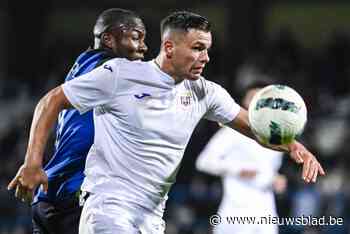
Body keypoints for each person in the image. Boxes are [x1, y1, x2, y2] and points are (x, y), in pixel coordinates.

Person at [8, 11, 324, 234]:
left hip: (152, 217)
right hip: (108, 208)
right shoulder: (121, 74)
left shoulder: (205, 92)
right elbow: (51, 101)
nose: (206, 58)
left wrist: (295, 147)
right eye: (198, 48)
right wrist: (34, 162)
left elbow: (253, 126)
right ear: (169, 47)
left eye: (208, 50)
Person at [8, 8, 147, 234]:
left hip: (50, 197)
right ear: (109, 39)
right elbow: (48, 102)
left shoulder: (84, 66)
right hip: (80, 197)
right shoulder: (115, 69)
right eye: (136, 37)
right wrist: (32, 161)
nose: (143, 46)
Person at [196, 82, 287, 234]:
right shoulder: (232, 132)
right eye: (253, 97)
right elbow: (203, 162)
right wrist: (238, 169)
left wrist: (276, 179)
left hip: (266, 211)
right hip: (236, 210)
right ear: (245, 102)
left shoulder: (276, 136)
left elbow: (267, 170)